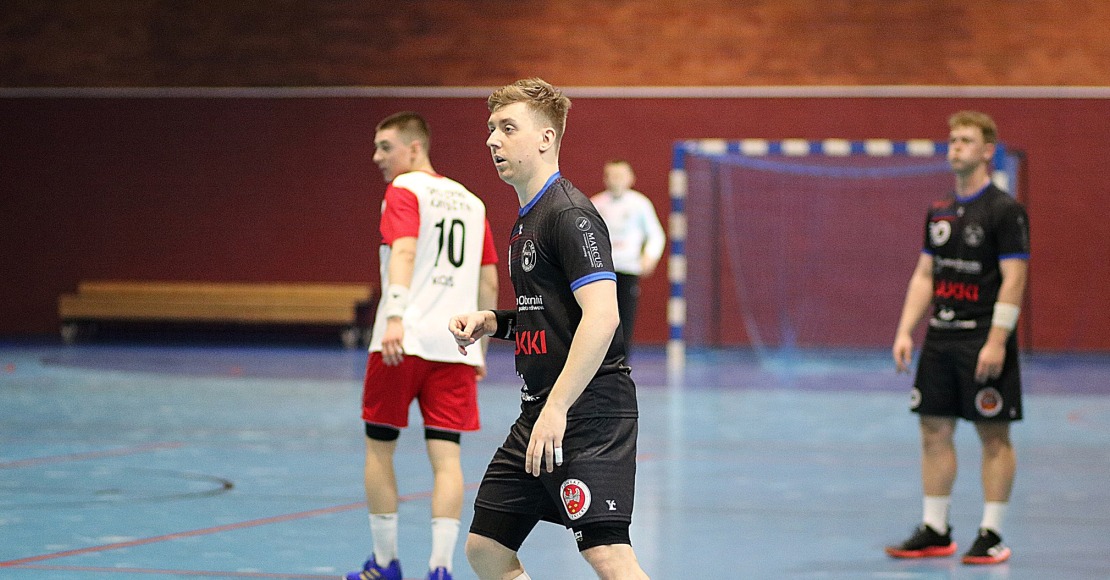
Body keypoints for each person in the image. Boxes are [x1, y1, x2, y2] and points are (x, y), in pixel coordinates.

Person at [449, 78, 649, 580]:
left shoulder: (570, 214)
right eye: (491, 128)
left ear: (545, 138)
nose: (492, 140)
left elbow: (602, 317)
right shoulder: (527, 220)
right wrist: (493, 321)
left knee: (608, 555)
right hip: (539, 412)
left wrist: (557, 408)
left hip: (589, 412)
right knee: (486, 548)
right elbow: (554, 316)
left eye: (507, 128)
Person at [347, 111, 499, 580]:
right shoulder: (473, 203)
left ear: (415, 148)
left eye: (385, 147)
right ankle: (440, 569)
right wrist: (479, 349)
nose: (377, 157)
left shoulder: (404, 189)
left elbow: (405, 250)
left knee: (379, 450)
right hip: (455, 346)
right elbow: (489, 282)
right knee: (447, 459)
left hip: (402, 341)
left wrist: (394, 315)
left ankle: (385, 563)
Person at [885, 111, 1030, 566]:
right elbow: (925, 274)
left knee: (993, 434)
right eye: (952, 140)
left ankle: (992, 533)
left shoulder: (1005, 211)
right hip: (941, 339)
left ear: (987, 151)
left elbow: (1014, 279)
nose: (955, 148)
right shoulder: (940, 211)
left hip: (982, 338)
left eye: (965, 140)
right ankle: (935, 528)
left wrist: (997, 340)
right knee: (933, 428)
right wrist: (905, 329)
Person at [589, 160, 666, 354]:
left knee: (625, 319)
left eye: (620, 176)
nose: (616, 180)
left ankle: (622, 362)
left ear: (631, 178)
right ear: (605, 178)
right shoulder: (596, 204)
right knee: (600, 318)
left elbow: (656, 234)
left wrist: (650, 256)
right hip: (602, 272)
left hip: (628, 270)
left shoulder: (640, 204)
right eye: (612, 175)